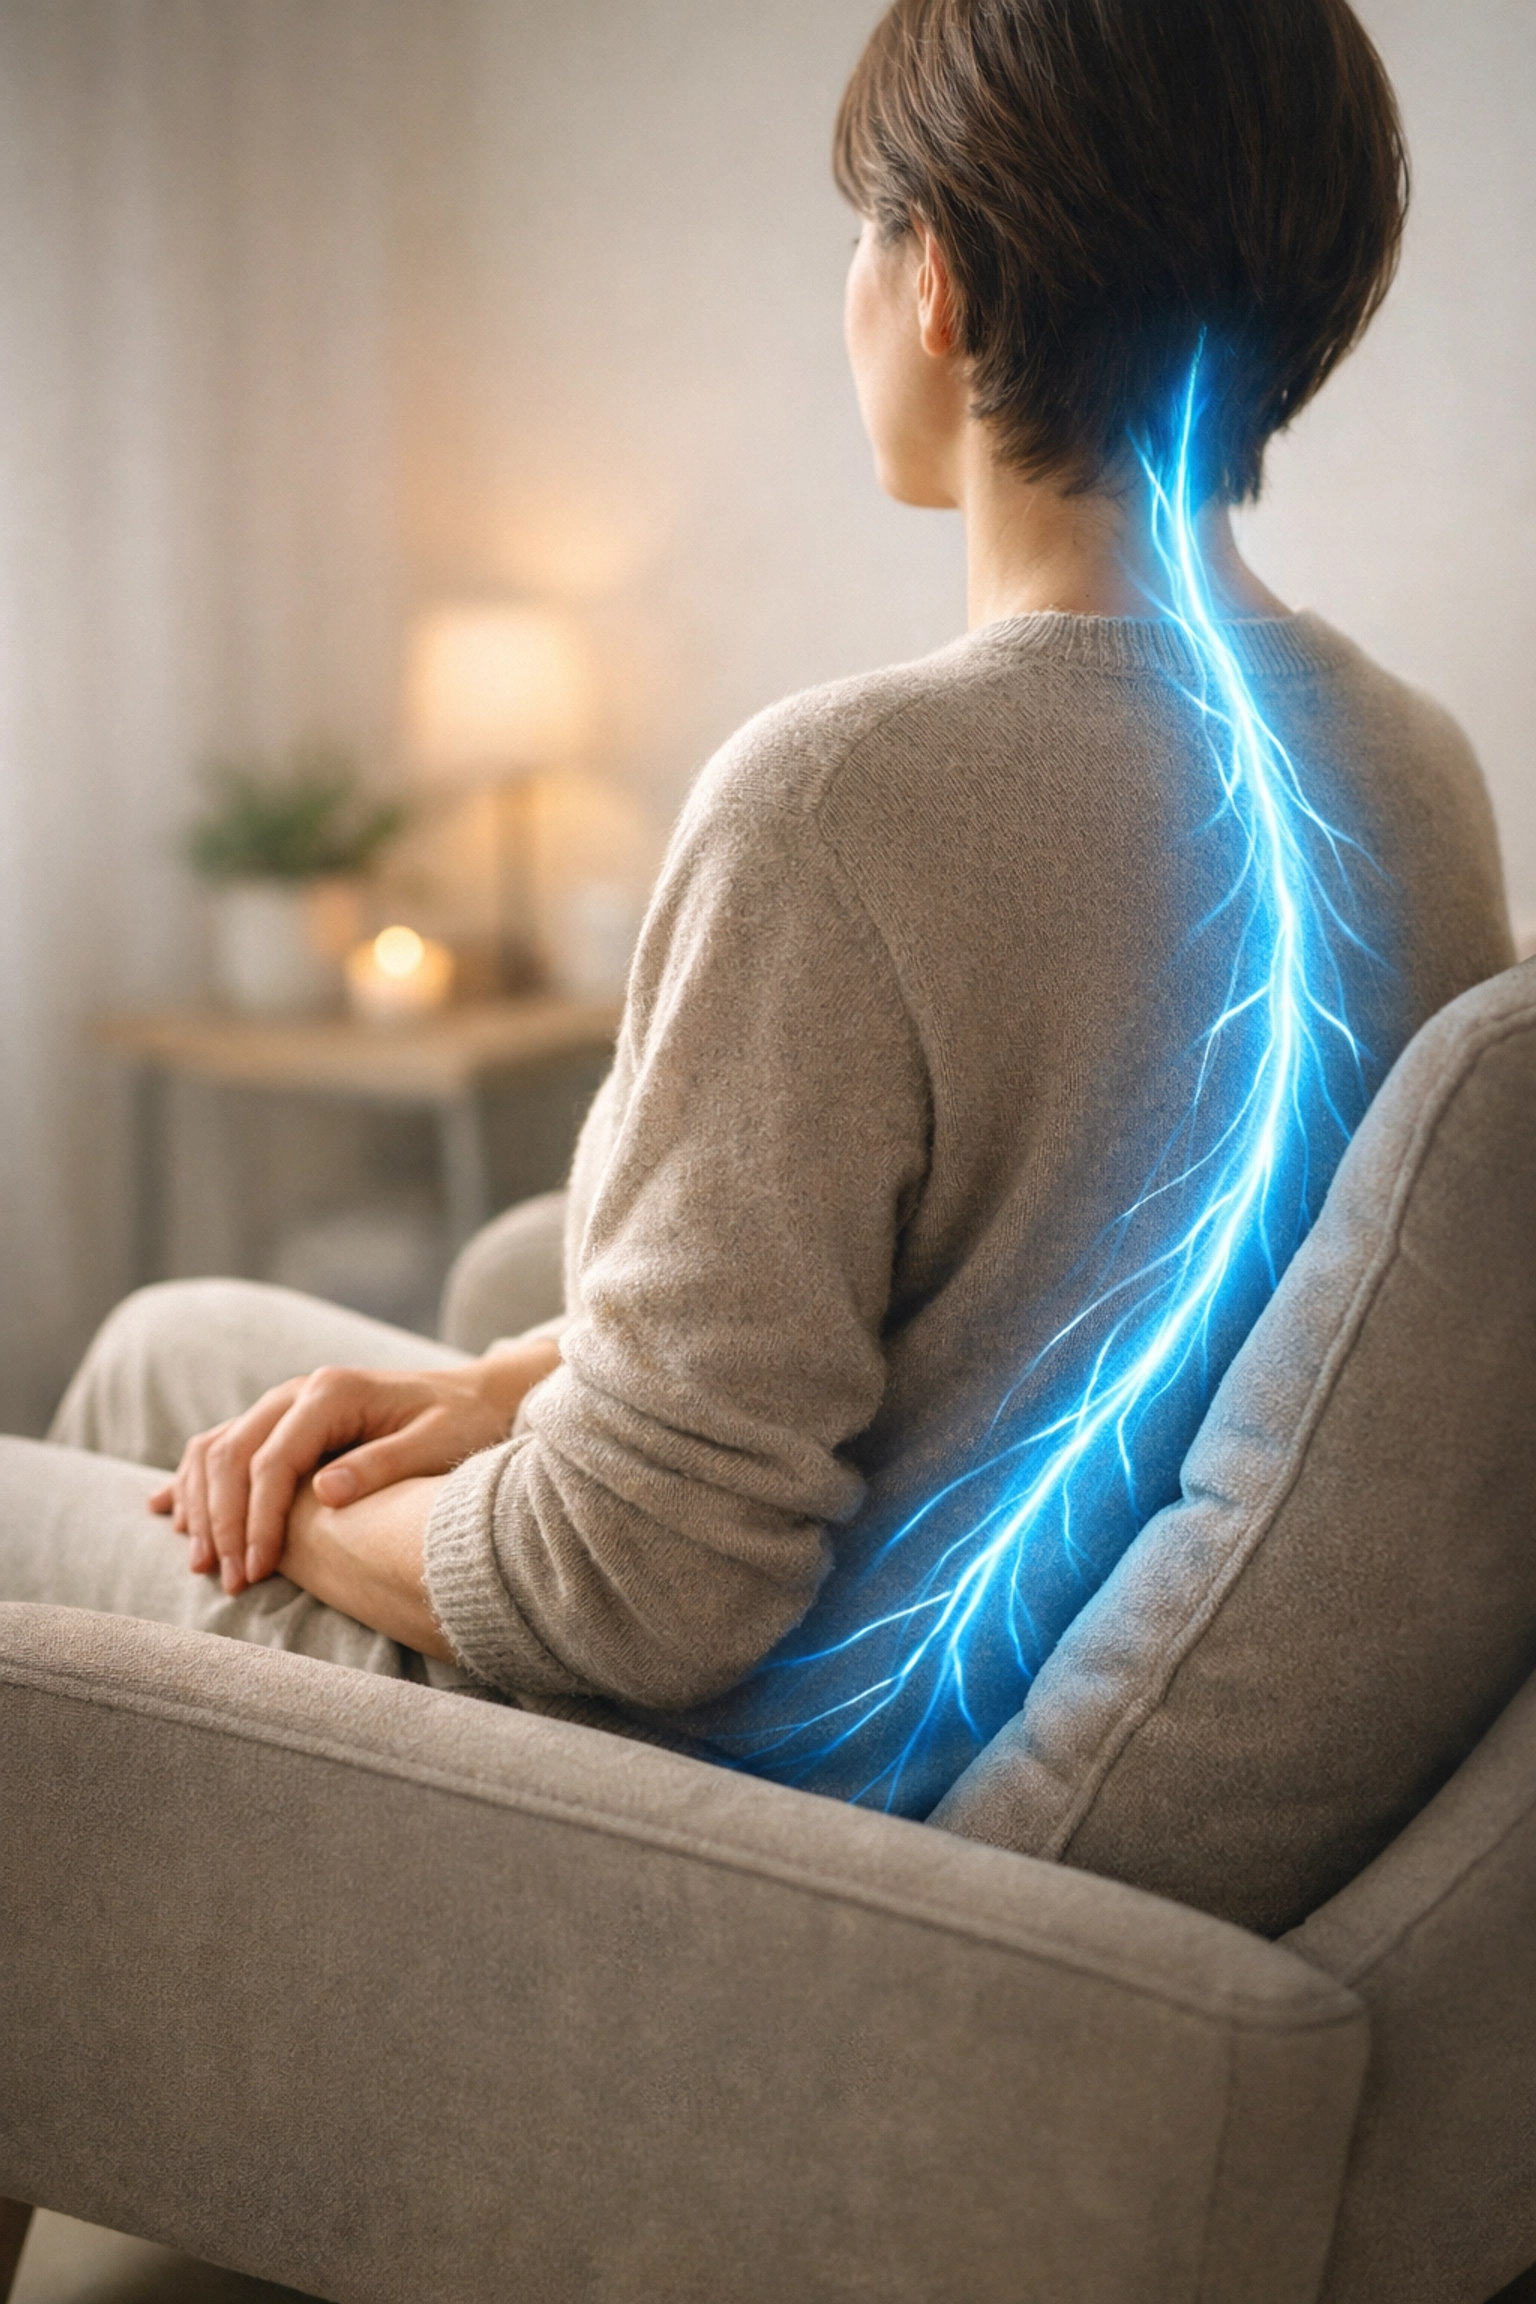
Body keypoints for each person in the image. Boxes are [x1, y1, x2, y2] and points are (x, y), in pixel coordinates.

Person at [1, 0, 1512, 1816]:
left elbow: (636, 1594)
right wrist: (499, 1389)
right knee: (174, 1342)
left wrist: (323, 1527)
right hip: (929, 1637)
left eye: (865, 228)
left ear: (939, 279)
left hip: (726, 1782)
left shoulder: (836, 804)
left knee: (100, 1479)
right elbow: (1008, 1307)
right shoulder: (1419, 775)